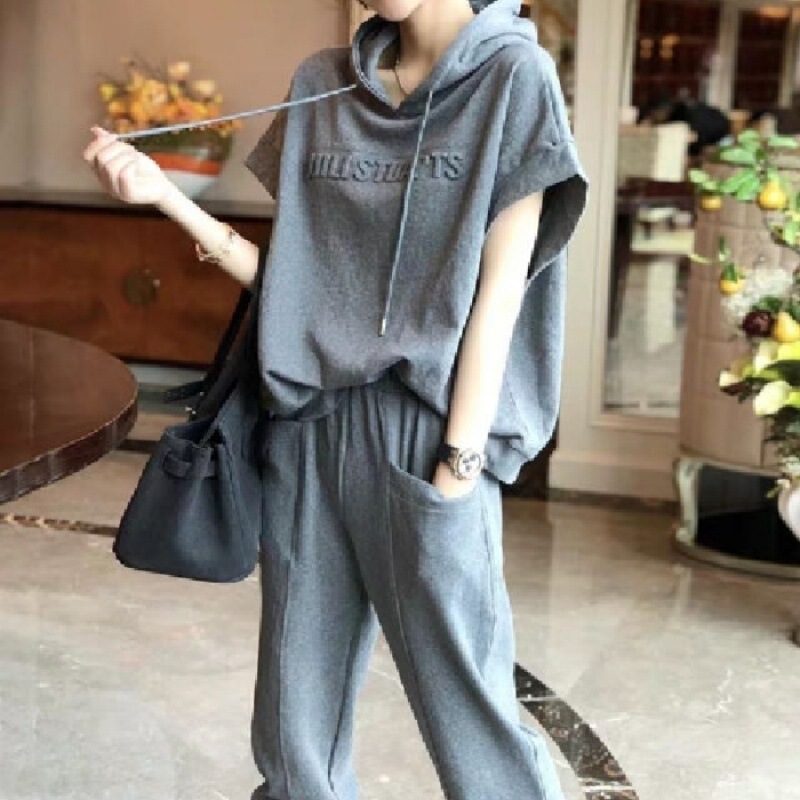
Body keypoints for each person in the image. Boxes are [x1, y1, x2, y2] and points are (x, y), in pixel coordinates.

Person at [83, 1, 588, 798]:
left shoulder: (513, 77)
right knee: (295, 712)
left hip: (426, 432)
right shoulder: (323, 83)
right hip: (308, 422)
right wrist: (165, 197)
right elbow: (293, 285)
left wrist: (458, 466)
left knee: (469, 705)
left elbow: (501, 295)